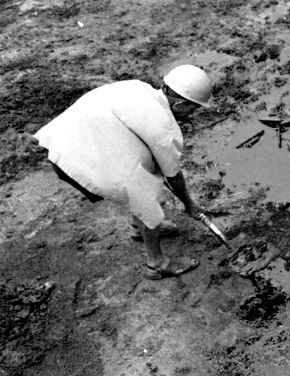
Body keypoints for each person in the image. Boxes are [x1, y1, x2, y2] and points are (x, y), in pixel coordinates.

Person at [33, 64, 214, 280]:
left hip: (60, 144)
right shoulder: (166, 128)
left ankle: (138, 229)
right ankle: (157, 264)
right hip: (79, 160)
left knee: (141, 168)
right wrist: (189, 204)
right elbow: (173, 176)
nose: (192, 114)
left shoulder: (136, 87)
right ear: (181, 103)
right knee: (147, 195)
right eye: (192, 108)